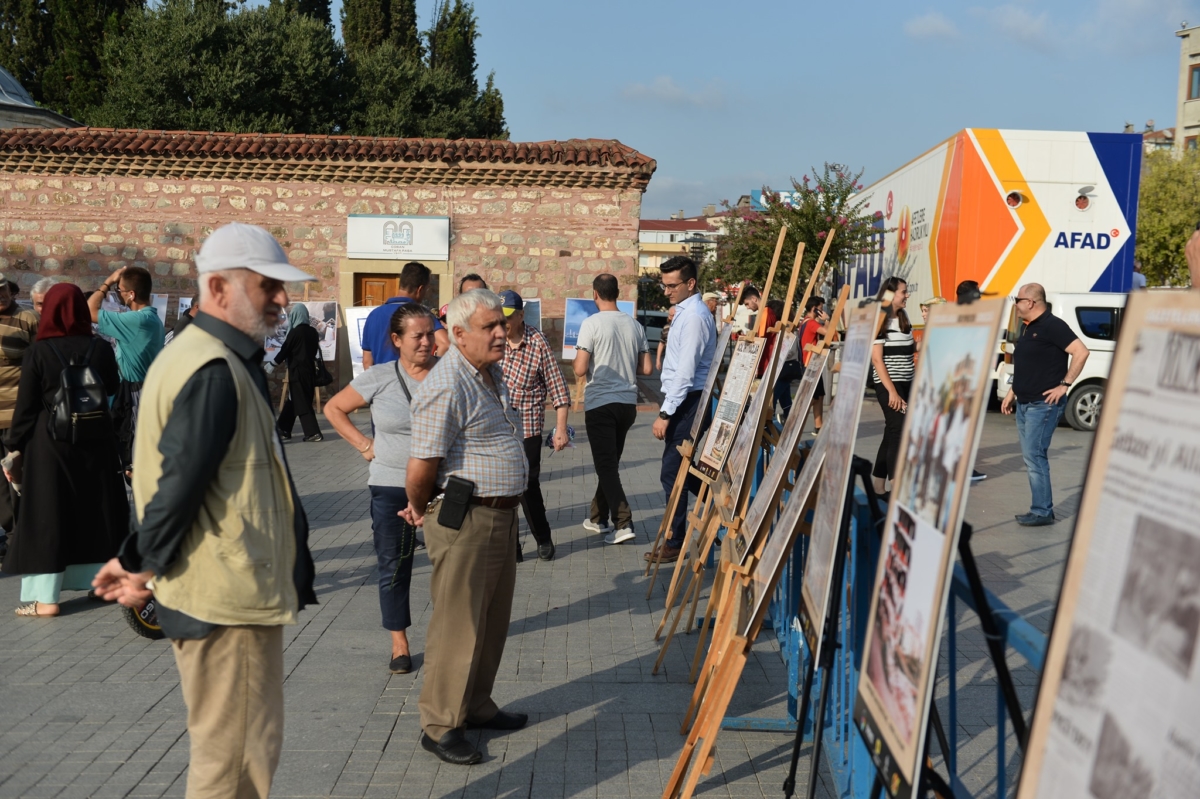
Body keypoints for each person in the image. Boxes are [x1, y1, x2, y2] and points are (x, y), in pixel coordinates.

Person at [92, 222, 318, 799]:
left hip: (225, 593)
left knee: (234, 759)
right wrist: (138, 563)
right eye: (268, 286)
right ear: (218, 288)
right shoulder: (212, 367)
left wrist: (136, 558)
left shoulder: (202, 355)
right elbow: (178, 484)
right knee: (234, 767)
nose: (282, 299)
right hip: (225, 602)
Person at [400, 289, 529, 766]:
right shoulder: (447, 383)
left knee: (491, 622)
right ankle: (439, 725)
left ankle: (475, 705)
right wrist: (422, 508)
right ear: (458, 335)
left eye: (502, 323)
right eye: (490, 327)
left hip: (498, 515)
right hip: (467, 519)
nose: (501, 332)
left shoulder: (487, 374)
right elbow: (420, 468)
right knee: (459, 626)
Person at [324, 303, 438, 674]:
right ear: (396, 339)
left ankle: (449, 636)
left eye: (430, 334)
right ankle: (399, 645)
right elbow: (334, 408)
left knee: (452, 566)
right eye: (417, 336)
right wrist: (365, 446)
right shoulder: (381, 377)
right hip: (390, 485)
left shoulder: (450, 375)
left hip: (441, 488)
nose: (426, 342)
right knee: (394, 564)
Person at [1, 284, 125, 616]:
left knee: (50, 514)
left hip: (49, 443)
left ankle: (46, 599)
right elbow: (112, 387)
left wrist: (13, 446)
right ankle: (102, 585)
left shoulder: (38, 352)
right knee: (97, 511)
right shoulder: (100, 348)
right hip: (94, 439)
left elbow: (26, 407)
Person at [1001, 283, 1090, 526]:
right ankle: (1040, 509)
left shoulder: (1053, 326)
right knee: (1031, 456)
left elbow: (1081, 352)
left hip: (1043, 405)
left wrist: (1065, 384)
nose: (1015, 304)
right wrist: (1012, 392)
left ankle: (1042, 511)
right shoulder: (1028, 328)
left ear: (1030, 302)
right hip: (1025, 403)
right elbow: (1028, 366)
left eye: (1017, 299)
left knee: (1034, 456)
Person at [573, 274, 652, 545]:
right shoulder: (635, 325)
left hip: (600, 403)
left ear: (595, 294)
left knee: (606, 465)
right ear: (617, 293)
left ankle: (623, 522)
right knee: (610, 464)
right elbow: (647, 369)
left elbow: (581, 368)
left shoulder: (591, 324)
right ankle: (597, 518)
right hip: (628, 404)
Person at [648, 256, 716, 564]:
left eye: (672, 285)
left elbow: (686, 372)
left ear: (690, 283)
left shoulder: (694, 317)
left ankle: (675, 540)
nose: (666, 291)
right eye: (664, 285)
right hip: (682, 398)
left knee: (671, 471)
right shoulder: (685, 313)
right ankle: (715, 500)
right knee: (681, 469)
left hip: (689, 400)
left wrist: (665, 413)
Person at [498, 289, 570, 561]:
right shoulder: (493, 340)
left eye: (507, 317)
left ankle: (542, 536)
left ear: (520, 315)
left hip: (528, 426)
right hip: (500, 427)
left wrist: (560, 429)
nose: (502, 322)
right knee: (503, 488)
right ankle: (511, 546)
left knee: (527, 484)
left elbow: (558, 388)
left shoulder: (537, 342)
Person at [87, 265, 165, 474]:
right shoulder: (150, 318)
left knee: (134, 460)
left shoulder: (137, 321)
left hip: (136, 394)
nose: (117, 294)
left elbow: (89, 311)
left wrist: (108, 281)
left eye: (119, 290)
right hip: (138, 390)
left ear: (131, 294)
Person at [0, 275, 38, 548]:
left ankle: (21, 537)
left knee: (17, 475)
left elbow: (41, 364)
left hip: (15, 414)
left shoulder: (28, 319)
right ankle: (9, 533)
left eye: (2, 290)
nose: (0, 295)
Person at [871, 276, 915, 495]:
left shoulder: (904, 317)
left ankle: (878, 486)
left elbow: (909, 354)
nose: (907, 295)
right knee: (899, 431)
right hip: (889, 385)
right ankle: (897, 487)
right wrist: (892, 392)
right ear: (890, 294)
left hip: (907, 384)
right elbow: (877, 360)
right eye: (903, 291)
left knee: (892, 432)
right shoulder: (880, 319)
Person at [361, 262, 449, 366]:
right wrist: (433, 372)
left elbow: (367, 361)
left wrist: (377, 381)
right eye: (426, 290)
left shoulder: (373, 315)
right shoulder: (421, 314)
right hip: (412, 379)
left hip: (382, 379)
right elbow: (445, 344)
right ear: (420, 289)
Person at [272, 304, 324, 442]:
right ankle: (283, 429)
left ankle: (313, 432)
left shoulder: (295, 332)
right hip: (310, 371)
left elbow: (285, 350)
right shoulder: (313, 332)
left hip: (298, 372)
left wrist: (272, 364)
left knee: (302, 401)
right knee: (294, 400)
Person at [654, 305, 676, 372]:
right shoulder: (666, 328)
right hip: (669, 360)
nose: (671, 317)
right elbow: (661, 343)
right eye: (670, 315)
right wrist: (658, 360)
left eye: (673, 315)